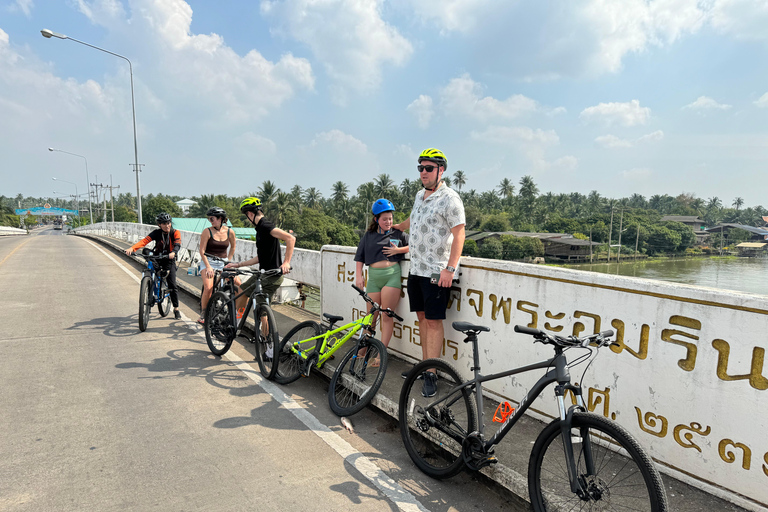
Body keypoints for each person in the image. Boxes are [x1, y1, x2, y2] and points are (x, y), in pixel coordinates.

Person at [394, 148, 465, 397]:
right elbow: (412, 221)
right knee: (422, 319)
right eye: (420, 168)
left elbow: (459, 234)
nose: (423, 172)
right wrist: (393, 225)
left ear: (440, 170)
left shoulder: (450, 199)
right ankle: (424, 366)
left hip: (437, 272)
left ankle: (432, 374)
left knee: (434, 322)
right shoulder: (419, 196)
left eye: (429, 168)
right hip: (417, 269)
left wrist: (450, 269)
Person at [225, 197, 295, 355]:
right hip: (265, 275)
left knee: (262, 312)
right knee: (243, 290)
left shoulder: (265, 225)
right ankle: (236, 321)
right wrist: (238, 265)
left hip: (271, 276)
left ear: (250, 214)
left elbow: (290, 238)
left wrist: (286, 262)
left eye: (246, 216)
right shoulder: (261, 229)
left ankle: (269, 348)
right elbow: (260, 258)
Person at [354, 199, 409, 365]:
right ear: (376, 219)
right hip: (374, 277)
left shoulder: (398, 233)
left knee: (386, 315)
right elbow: (359, 257)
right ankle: (361, 351)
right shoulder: (368, 236)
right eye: (385, 219)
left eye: (391, 218)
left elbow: (415, 245)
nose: (388, 222)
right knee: (371, 316)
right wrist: (359, 276)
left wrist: (398, 250)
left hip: (392, 275)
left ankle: (380, 355)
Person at [125, 212, 183, 320]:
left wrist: (173, 253)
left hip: (169, 259)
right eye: (164, 223)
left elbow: (178, 244)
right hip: (158, 258)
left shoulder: (175, 232)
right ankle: (153, 276)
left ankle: (176, 309)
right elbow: (144, 241)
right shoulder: (156, 233)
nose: (167, 225)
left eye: (168, 223)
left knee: (172, 284)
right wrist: (132, 249)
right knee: (146, 251)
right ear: (159, 224)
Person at [198, 206, 239, 324]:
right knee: (209, 287)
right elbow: (202, 251)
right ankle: (204, 313)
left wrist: (228, 262)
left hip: (223, 261)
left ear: (220, 219)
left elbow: (233, 247)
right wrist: (208, 266)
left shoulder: (230, 232)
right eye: (209, 219)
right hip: (208, 261)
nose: (210, 221)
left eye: (212, 219)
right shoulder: (207, 231)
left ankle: (236, 312)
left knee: (238, 283)